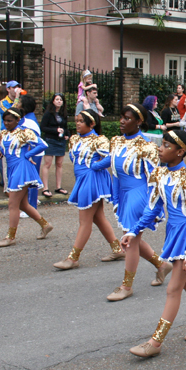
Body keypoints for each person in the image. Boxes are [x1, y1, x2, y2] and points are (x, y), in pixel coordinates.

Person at [123, 129, 186, 357]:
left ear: (181, 152)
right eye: (161, 144)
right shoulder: (158, 175)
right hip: (174, 234)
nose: (159, 148)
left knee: (174, 289)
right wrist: (133, 231)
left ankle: (155, 343)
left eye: (166, 145)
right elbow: (152, 209)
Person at [106, 103, 172, 302]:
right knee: (132, 238)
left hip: (140, 194)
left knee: (131, 240)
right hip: (124, 195)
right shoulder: (116, 141)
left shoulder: (147, 146)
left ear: (139, 121)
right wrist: (116, 198)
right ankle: (162, 265)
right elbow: (114, 172)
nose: (122, 121)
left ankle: (126, 286)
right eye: (121, 117)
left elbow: (153, 178)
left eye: (127, 118)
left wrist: (152, 206)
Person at [53, 109, 124, 270]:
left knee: (84, 221)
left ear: (91, 124)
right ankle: (117, 249)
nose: (77, 123)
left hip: (92, 180)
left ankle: (73, 258)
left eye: (80, 121)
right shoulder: (74, 139)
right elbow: (73, 157)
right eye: (76, 120)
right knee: (97, 217)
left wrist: (95, 166)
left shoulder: (99, 140)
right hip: (83, 179)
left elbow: (112, 157)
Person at [0, 105, 53, 247]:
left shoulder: (25, 132)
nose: (6, 123)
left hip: (22, 169)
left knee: (13, 204)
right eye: (5, 120)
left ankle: (10, 237)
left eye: (9, 120)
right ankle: (45, 225)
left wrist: (27, 155)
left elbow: (42, 144)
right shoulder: (5, 133)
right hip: (12, 169)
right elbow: (7, 149)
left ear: (17, 120)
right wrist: (2, 152)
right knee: (23, 204)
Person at [40, 93, 70, 197]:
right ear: (53, 101)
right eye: (57, 99)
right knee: (47, 164)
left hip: (60, 141)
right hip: (50, 140)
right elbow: (43, 127)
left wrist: (67, 135)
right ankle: (45, 188)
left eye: (61, 100)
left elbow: (66, 127)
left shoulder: (63, 114)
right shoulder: (48, 114)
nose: (59, 101)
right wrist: (55, 130)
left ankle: (58, 186)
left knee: (59, 164)